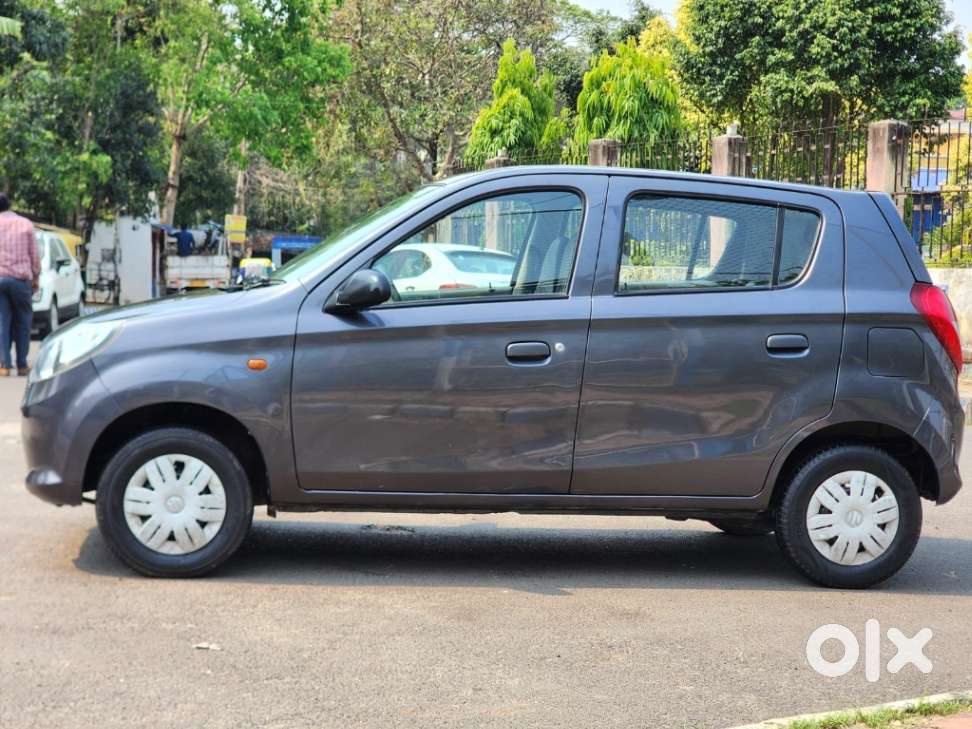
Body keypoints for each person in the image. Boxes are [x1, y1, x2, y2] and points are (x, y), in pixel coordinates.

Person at [0, 192, 40, 377]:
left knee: (2, 322)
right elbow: (34, 255)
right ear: (9, 205)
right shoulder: (25, 224)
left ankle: (4, 365)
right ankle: (22, 365)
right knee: (23, 322)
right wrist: (36, 277)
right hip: (20, 281)